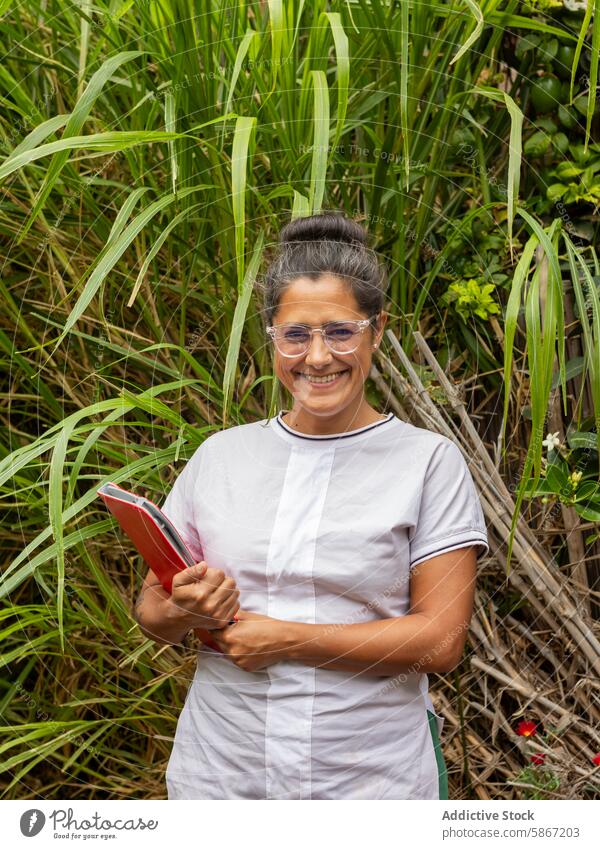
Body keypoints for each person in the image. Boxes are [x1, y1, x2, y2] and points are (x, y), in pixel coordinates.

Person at [133, 211, 489, 800]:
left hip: (367, 783)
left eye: (341, 331)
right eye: (296, 334)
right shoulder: (221, 456)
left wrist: (287, 637)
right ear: (271, 335)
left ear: (377, 331)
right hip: (222, 771)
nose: (318, 357)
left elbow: (439, 642)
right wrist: (186, 611)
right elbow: (152, 608)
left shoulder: (428, 462)